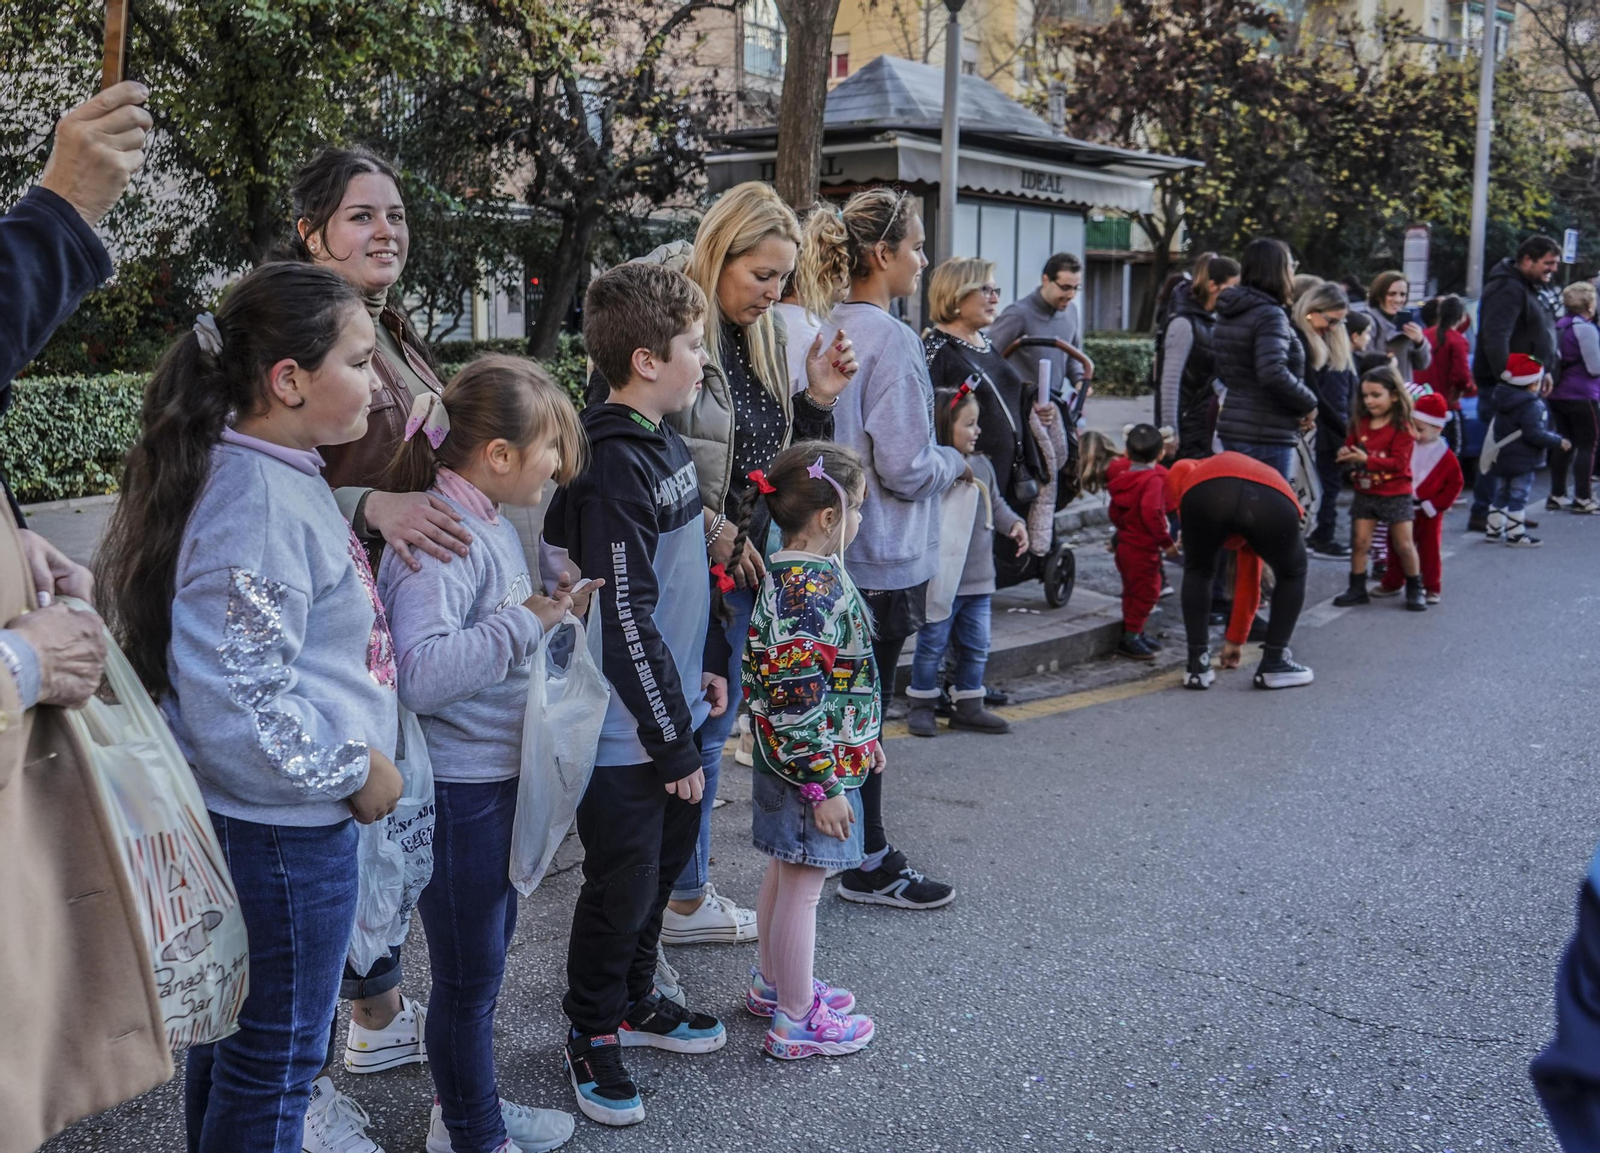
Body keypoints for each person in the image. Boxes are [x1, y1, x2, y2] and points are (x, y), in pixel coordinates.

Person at [95, 263, 405, 1152]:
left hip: (281, 826)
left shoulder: (276, 472)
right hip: (282, 835)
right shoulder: (257, 500)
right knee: (277, 1061)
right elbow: (241, 705)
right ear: (289, 379)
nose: (379, 379)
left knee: (243, 1048)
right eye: (361, 358)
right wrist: (354, 768)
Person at [631, 182, 855, 951]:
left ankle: (685, 893)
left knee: (710, 725)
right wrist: (713, 526)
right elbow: (636, 446)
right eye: (761, 273)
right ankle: (666, 906)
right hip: (681, 569)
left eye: (782, 277)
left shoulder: (755, 337)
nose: (773, 292)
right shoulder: (669, 317)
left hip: (740, 573)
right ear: (720, 251)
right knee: (680, 734)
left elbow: (774, 458)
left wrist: (819, 399)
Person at [375, 357, 586, 1153]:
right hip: (461, 796)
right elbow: (423, 674)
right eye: (549, 451)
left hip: (493, 783)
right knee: (468, 982)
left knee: (482, 972)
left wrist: (552, 610)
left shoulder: (489, 520)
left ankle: (466, 1109)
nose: (560, 468)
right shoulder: (442, 534)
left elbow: (499, 629)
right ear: (498, 454)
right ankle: (471, 1130)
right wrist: (525, 624)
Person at [280, 145, 445, 1149]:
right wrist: (367, 499)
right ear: (310, 233)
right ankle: (295, 1090)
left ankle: (374, 1016)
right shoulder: (294, 331)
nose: (385, 229)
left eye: (393, 212)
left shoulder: (384, 329)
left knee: (371, 843)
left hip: (377, 628)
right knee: (323, 851)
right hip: (314, 640)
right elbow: (251, 471)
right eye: (359, 216)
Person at [543, 262, 729, 1129]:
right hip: (633, 737)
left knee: (656, 879)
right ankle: (591, 1030)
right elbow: (622, 616)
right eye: (694, 344)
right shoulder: (611, 464)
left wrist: (714, 661)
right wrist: (673, 744)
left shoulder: (661, 440)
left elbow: (692, 569)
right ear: (648, 360)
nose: (704, 357)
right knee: (621, 887)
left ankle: (638, 998)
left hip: (676, 711)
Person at [794, 187, 965, 911]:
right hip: (885, 552)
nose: (924, 261)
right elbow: (903, 463)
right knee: (864, 712)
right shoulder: (891, 338)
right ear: (882, 254)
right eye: (917, 247)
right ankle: (867, 857)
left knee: (837, 706)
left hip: (832, 548)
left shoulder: (818, 323)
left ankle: (839, 847)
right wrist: (956, 461)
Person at [736, 441, 882, 1060]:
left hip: (789, 758)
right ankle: (797, 1019)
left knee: (783, 869)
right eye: (858, 510)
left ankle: (775, 984)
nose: (860, 523)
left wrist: (865, 742)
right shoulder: (810, 591)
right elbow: (798, 698)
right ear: (828, 517)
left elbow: (831, 682)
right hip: (808, 770)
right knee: (803, 885)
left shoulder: (795, 577)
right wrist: (826, 783)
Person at [906, 386, 1026, 736]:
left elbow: (996, 503)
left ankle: (969, 704)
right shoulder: (935, 469)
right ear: (945, 426)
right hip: (942, 579)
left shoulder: (983, 465)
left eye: (977, 424)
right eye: (969, 424)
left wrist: (1015, 524)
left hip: (979, 580)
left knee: (977, 645)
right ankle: (922, 705)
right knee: (932, 645)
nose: (978, 431)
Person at [1167, 452, 1312, 690]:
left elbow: (1179, 468)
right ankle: (1274, 663)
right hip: (1270, 496)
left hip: (1206, 493)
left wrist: (1183, 518)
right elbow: (1248, 582)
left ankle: (1197, 667)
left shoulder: (1196, 469)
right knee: (1292, 573)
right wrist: (1236, 639)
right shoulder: (1237, 468)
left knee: (1198, 571)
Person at [923, 257, 1053, 515]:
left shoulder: (982, 340)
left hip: (1011, 477)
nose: (995, 299)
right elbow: (928, 423)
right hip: (971, 486)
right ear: (956, 295)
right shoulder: (937, 350)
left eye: (996, 290)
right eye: (986, 290)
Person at [1467, 236, 1563, 532]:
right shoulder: (1508, 288)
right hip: (1508, 387)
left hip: (1524, 383)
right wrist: (1511, 381)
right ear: (1527, 260)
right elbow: (1496, 338)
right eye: (1548, 263)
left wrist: (1543, 371)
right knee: (1501, 450)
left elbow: (1537, 334)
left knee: (1513, 451)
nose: (1553, 270)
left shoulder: (1525, 287)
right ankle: (1486, 512)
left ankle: (1507, 512)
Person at [1212, 237, 1318, 480]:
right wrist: (1308, 404)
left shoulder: (1232, 312)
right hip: (1266, 432)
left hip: (1235, 423)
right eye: (1291, 265)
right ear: (1278, 270)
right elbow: (1272, 372)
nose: (1293, 272)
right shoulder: (1270, 315)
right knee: (1267, 511)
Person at [1329, 365, 1426, 610]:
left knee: (1404, 544)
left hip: (1396, 493)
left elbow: (1399, 462)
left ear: (1393, 395)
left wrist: (1365, 460)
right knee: (1360, 542)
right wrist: (1345, 453)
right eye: (1365, 395)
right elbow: (1350, 446)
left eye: (1375, 395)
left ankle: (1416, 587)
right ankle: (1357, 587)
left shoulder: (1402, 427)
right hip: (1365, 491)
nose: (1369, 401)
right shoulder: (1360, 423)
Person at [1374, 393, 1461, 605]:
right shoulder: (1405, 446)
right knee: (1395, 546)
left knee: (1429, 551)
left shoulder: (1446, 456)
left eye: (1420, 429)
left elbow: (1455, 485)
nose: (1415, 433)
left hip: (1428, 511)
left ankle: (1432, 586)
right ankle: (1393, 581)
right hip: (1402, 504)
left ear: (1438, 428)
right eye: (1413, 427)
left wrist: (1436, 505)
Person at [1292, 281, 1355, 559]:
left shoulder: (1329, 342)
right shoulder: (1299, 339)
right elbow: (1315, 396)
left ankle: (1317, 535)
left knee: (1324, 486)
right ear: (1311, 310)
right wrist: (1346, 433)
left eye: (1339, 323)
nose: (1333, 327)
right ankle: (1317, 537)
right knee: (1315, 487)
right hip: (1312, 429)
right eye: (1331, 321)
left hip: (1326, 426)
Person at [1157, 253, 1239, 459]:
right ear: (1213, 286)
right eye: (1232, 287)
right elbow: (1170, 382)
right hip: (1186, 426)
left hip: (1202, 424)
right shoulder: (1184, 323)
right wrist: (1169, 431)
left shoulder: (1212, 321)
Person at [1484, 352, 1569, 547]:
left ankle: (1493, 529)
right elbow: (1535, 434)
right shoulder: (1532, 405)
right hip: (1523, 458)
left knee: (1501, 493)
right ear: (1532, 384)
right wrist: (1558, 441)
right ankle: (1516, 534)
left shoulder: (1501, 397)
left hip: (1502, 455)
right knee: (1518, 495)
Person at [1104, 424, 1173, 661]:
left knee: (1131, 591)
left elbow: (1115, 511)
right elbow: (1152, 512)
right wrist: (1166, 542)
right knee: (1148, 592)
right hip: (1144, 547)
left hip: (1125, 544)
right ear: (1161, 453)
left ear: (1127, 452)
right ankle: (1131, 636)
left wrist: (1120, 533)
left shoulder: (1123, 478)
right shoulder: (1153, 480)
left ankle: (1135, 630)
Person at [989, 252, 1093, 400]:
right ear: (1045, 280)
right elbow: (988, 356)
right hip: (1019, 405)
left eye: (1076, 288)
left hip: (1052, 405)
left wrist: (1079, 380)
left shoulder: (1072, 312)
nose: (1071, 295)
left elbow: (1072, 356)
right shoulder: (1018, 314)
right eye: (1065, 287)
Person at [1546, 282, 1600, 514]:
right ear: (1589, 304)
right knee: (1588, 444)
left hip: (1558, 393)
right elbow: (1595, 367)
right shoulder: (1585, 329)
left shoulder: (1558, 325)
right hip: (1582, 394)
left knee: (1563, 442)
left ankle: (1557, 494)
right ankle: (1583, 497)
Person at [1413, 294, 1474, 459]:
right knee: (1451, 454)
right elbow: (1461, 376)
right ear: (1460, 316)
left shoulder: (1425, 335)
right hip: (1447, 404)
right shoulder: (1456, 340)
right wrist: (1465, 389)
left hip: (1421, 402)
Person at [1365, 272, 1431, 384]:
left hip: (1403, 391)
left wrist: (1419, 342)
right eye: (1391, 294)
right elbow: (1365, 360)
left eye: (1403, 294)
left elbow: (1422, 365)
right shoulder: (1370, 321)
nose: (1398, 299)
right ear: (1379, 295)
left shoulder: (1406, 322)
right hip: (1379, 391)